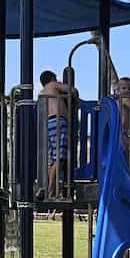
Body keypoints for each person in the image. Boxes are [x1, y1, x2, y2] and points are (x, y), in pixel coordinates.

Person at [39, 69, 72, 199]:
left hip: (50, 124)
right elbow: (70, 89)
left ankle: (47, 189)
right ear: (52, 78)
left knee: (54, 159)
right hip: (59, 121)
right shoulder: (52, 86)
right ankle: (50, 190)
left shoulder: (43, 92)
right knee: (59, 157)